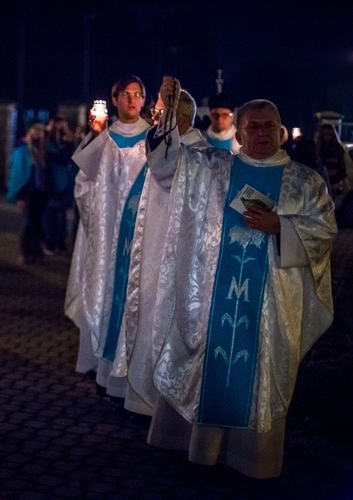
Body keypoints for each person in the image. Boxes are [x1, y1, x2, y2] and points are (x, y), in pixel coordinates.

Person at [145, 76, 336, 478]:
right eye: (254, 126)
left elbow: (324, 232)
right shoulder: (215, 169)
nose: (262, 133)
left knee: (260, 371)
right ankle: (200, 450)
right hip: (214, 302)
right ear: (241, 132)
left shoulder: (305, 181)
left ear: (280, 131)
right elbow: (167, 165)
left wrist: (281, 226)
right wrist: (168, 114)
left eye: (269, 126)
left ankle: (252, 459)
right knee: (206, 365)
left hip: (268, 306)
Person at [115, 89, 209, 415]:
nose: (153, 121)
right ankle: (142, 397)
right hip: (153, 252)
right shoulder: (169, 149)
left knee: (163, 322)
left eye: (159, 115)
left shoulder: (195, 154)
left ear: (179, 120)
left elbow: (166, 168)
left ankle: (158, 404)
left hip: (173, 259)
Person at [64, 75, 149, 388]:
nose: (131, 100)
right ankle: (99, 365)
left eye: (137, 94)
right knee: (102, 290)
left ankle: (129, 376)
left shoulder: (153, 141)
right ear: (114, 100)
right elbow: (82, 185)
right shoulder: (103, 137)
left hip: (138, 236)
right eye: (125, 94)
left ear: (144, 100)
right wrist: (96, 137)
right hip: (105, 235)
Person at [6, 118, 48, 264]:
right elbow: (18, 172)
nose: (38, 133)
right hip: (28, 191)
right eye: (35, 129)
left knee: (37, 222)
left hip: (40, 191)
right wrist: (19, 195)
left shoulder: (42, 149)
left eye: (40, 130)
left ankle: (35, 252)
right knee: (27, 223)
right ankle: (25, 252)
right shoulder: (22, 148)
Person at [42, 115, 75, 255]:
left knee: (61, 214)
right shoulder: (48, 140)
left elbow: (68, 156)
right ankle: (49, 241)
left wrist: (68, 142)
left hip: (63, 181)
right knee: (51, 213)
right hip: (51, 181)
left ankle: (59, 241)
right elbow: (52, 156)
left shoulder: (67, 141)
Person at [315, 123, 352, 202]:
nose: (328, 137)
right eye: (325, 134)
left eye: (330, 134)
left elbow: (342, 169)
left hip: (333, 183)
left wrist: (336, 181)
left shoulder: (338, 149)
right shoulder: (317, 148)